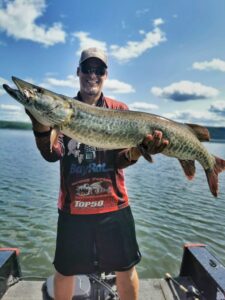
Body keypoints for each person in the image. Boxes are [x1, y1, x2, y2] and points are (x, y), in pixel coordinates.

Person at [27, 47, 169, 300]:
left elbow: (120, 160)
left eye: (99, 70)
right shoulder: (61, 111)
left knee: (125, 269)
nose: (93, 75)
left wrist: (138, 152)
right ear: (78, 72)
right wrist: (40, 125)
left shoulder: (120, 109)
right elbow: (52, 154)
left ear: (106, 74)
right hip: (74, 208)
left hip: (114, 207)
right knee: (64, 271)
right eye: (87, 69)